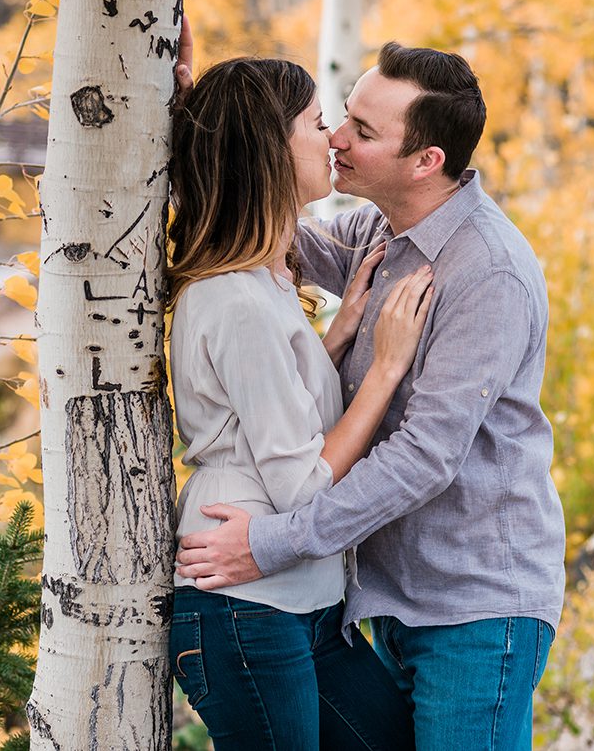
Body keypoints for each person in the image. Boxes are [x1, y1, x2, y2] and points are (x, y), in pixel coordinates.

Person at [172, 35, 567, 751]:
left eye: (362, 129)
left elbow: (425, 456)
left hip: (473, 605)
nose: (337, 138)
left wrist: (272, 544)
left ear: (426, 161)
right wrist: (196, 110)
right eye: (339, 116)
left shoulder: (487, 273)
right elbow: (257, 207)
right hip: (375, 595)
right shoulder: (376, 234)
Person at [167, 56, 426, 750]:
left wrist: (337, 337)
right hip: (244, 608)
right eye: (316, 122)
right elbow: (301, 483)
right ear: (269, 150)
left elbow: (278, 406)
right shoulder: (237, 298)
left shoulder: (267, 284)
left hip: (304, 602)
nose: (333, 136)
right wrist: (385, 369)